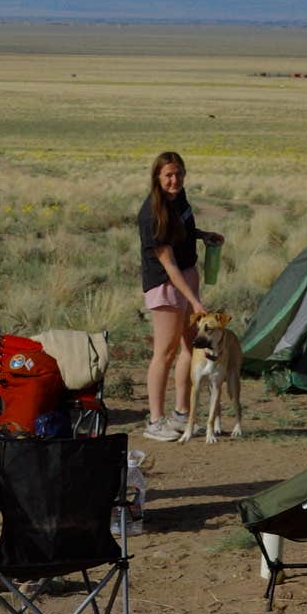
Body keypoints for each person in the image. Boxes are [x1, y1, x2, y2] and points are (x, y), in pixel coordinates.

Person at [137, 150, 224, 441]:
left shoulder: (180, 199)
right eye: (168, 175)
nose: (174, 180)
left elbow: (182, 231)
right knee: (165, 352)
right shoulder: (151, 213)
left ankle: (181, 414)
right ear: (157, 178)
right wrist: (195, 301)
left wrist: (202, 235)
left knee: (190, 347)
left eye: (178, 174)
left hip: (186, 279)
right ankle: (154, 421)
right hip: (166, 285)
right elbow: (169, 266)